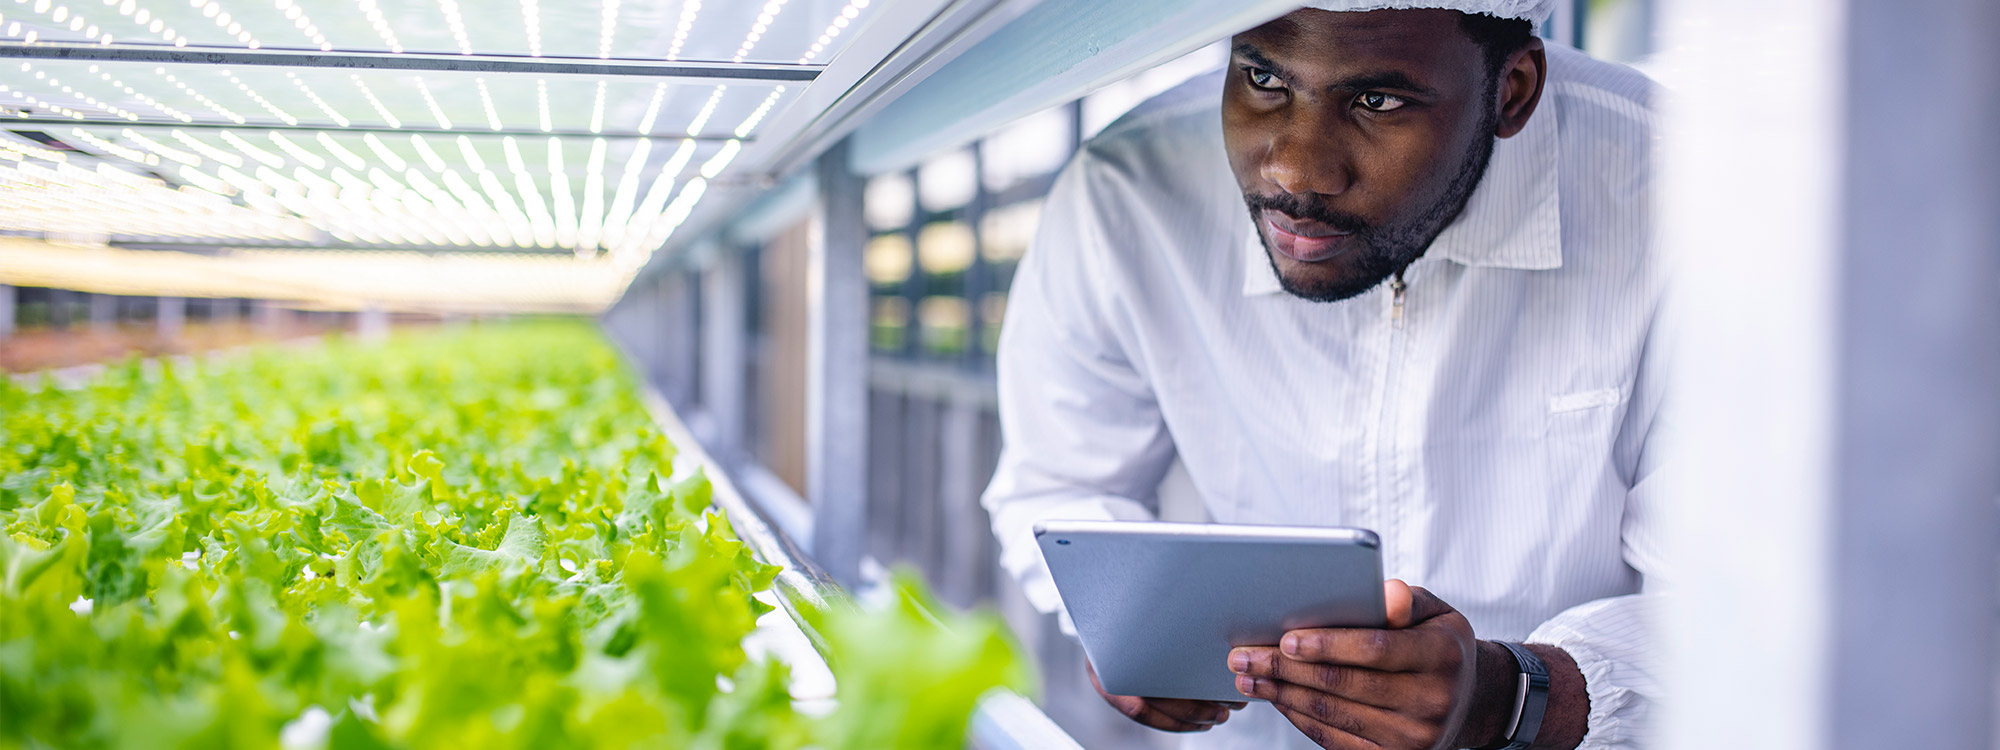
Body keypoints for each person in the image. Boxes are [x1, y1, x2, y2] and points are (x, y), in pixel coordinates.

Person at [980, 1, 1664, 748]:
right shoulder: (1129, 193)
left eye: (1377, 100)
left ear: (1512, 92)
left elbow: (1756, 604)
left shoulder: (1692, 193)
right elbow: (1060, 483)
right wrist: (1131, 620)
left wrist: (1517, 697)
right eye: (1263, 77)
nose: (1297, 169)